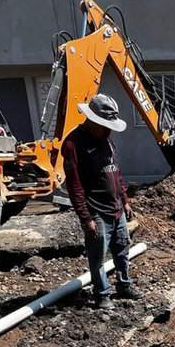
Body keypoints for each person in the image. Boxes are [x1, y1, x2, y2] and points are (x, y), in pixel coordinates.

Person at [63, 93, 144, 311]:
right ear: (92, 120)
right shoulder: (74, 144)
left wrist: (125, 200)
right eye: (105, 125)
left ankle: (124, 285)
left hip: (117, 208)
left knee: (122, 250)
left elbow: (116, 172)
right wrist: (85, 218)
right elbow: (75, 185)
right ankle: (102, 294)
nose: (109, 130)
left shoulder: (106, 138)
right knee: (97, 257)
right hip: (96, 212)